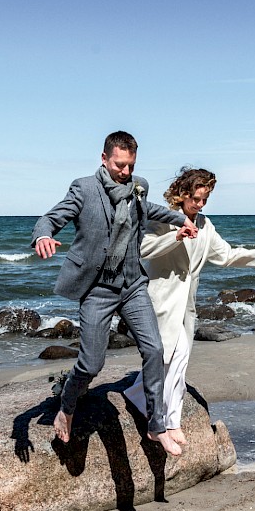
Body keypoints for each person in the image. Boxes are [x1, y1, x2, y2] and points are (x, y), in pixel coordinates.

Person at [32, 131, 198, 457]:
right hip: (97, 290)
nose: (125, 171)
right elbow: (52, 217)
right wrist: (43, 236)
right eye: (119, 165)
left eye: (130, 165)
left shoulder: (139, 186)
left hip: (133, 285)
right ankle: (67, 404)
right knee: (92, 363)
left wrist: (181, 219)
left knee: (155, 349)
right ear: (104, 158)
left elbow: (146, 209)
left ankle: (157, 424)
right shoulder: (83, 189)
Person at [123, 168, 255, 445]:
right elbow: (142, 250)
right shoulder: (160, 220)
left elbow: (225, 255)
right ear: (182, 195)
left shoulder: (206, 225)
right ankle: (169, 420)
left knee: (173, 359)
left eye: (205, 199)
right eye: (196, 198)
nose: (200, 204)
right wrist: (177, 236)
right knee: (173, 355)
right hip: (161, 300)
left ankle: (140, 397)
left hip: (186, 306)